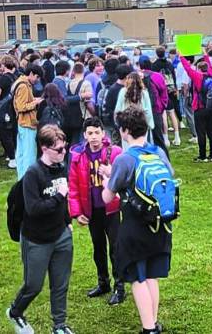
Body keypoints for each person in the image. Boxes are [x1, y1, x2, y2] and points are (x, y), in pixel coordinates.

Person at [101, 107, 172, 334]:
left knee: (138, 277)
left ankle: (148, 328)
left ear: (124, 131)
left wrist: (107, 179)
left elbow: (107, 197)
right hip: (159, 221)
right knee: (152, 274)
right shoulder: (158, 152)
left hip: (135, 224)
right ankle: (154, 322)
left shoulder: (124, 159)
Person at [7, 124, 74, 334]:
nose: (63, 153)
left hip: (61, 235)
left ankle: (60, 326)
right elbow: (34, 209)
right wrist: (59, 196)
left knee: (60, 284)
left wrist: (68, 221)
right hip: (36, 239)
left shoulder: (61, 166)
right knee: (33, 285)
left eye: (64, 148)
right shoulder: (33, 174)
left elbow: (62, 204)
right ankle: (15, 312)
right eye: (59, 150)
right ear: (44, 149)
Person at [68, 117, 125, 305]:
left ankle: (120, 286)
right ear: (84, 135)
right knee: (98, 248)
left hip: (112, 210)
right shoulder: (78, 157)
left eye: (96, 133)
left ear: (103, 133)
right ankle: (103, 282)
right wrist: (76, 213)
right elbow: (74, 187)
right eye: (90, 133)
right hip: (92, 210)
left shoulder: (115, 152)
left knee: (116, 248)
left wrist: (111, 172)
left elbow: (125, 178)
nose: (93, 137)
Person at [180, 53, 212, 162]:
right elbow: (210, 65)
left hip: (199, 107)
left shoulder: (198, 77)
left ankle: (202, 156)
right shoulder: (210, 75)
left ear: (199, 68)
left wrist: (181, 56)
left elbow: (187, 68)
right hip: (210, 107)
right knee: (211, 131)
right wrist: (205, 54)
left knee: (201, 132)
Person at [13, 64, 45, 179]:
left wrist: (32, 100)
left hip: (22, 123)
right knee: (29, 154)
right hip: (27, 124)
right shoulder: (24, 86)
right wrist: (35, 103)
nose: (37, 80)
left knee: (21, 153)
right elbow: (21, 107)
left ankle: (22, 178)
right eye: (37, 77)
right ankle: (27, 179)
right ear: (31, 74)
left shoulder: (21, 83)